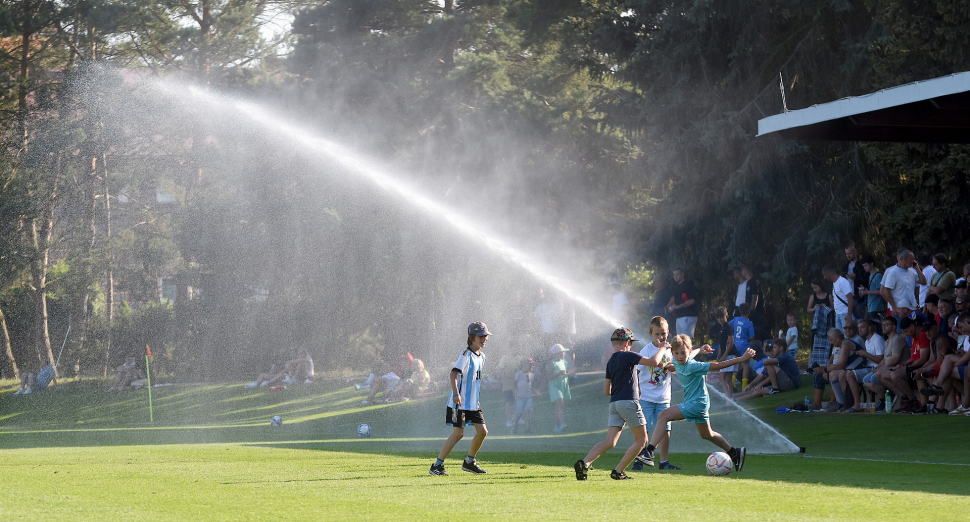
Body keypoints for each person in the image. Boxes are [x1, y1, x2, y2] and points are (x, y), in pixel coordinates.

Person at [641, 334, 752, 473]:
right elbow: (684, 357)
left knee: (663, 415)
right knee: (707, 434)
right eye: (676, 353)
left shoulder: (693, 365)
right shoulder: (676, 361)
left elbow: (718, 365)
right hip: (698, 403)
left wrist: (742, 359)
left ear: (688, 351)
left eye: (683, 353)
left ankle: (649, 451)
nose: (680, 356)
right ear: (672, 353)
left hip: (697, 403)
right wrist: (697, 350)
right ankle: (734, 453)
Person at [573, 327, 673, 481]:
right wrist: (662, 348)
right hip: (628, 402)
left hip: (614, 404)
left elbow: (607, 390)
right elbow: (653, 362)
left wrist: (620, 393)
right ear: (627, 342)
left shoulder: (611, 361)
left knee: (610, 441)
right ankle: (618, 471)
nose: (631, 345)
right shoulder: (628, 355)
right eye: (631, 342)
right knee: (642, 440)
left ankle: (584, 463)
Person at [430, 322, 492, 476]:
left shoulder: (482, 356)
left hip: (473, 404)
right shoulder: (465, 355)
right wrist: (456, 394)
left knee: (482, 431)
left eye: (486, 336)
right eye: (481, 336)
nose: (485, 338)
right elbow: (453, 374)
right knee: (458, 434)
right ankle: (437, 465)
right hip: (458, 403)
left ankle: (469, 462)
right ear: (472, 337)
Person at [632, 316, 679, 471]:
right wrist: (636, 388)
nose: (661, 337)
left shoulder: (671, 350)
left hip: (663, 398)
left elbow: (675, 366)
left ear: (668, 333)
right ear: (651, 334)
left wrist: (673, 367)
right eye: (657, 334)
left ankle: (663, 462)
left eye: (663, 334)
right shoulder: (646, 350)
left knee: (666, 431)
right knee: (644, 430)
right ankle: (639, 459)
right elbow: (636, 372)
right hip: (646, 397)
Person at [734, 338, 801, 399]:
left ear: (781, 348)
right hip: (783, 382)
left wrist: (760, 384)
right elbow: (762, 375)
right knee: (757, 391)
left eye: (774, 347)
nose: (773, 350)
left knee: (769, 364)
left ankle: (775, 388)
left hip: (789, 383)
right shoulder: (777, 358)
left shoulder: (783, 356)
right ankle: (734, 399)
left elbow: (766, 363)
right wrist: (751, 385)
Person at [865, 315, 907, 412]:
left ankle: (885, 398)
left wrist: (881, 368)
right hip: (887, 367)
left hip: (896, 368)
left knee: (874, 378)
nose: (884, 327)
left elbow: (895, 359)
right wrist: (878, 367)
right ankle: (888, 392)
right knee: (866, 379)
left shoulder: (897, 339)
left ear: (894, 326)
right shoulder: (887, 341)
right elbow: (885, 358)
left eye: (887, 325)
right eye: (883, 325)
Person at [842, 318, 885, 412]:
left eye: (862, 327)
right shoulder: (866, 341)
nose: (860, 330)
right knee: (846, 372)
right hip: (867, 367)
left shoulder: (877, 340)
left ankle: (857, 404)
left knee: (850, 374)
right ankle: (845, 403)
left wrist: (865, 354)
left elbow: (881, 360)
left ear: (869, 328)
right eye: (859, 327)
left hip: (875, 368)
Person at [719, 302, 755, 396]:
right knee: (745, 365)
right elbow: (752, 336)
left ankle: (733, 382)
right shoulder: (749, 323)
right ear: (749, 311)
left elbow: (728, 325)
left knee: (736, 364)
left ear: (739, 311)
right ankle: (744, 386)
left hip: (735, 345)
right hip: (744, 345)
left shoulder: (735, 320)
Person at [880, 249, 926, 320]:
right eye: (912, 259)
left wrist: (917, 268)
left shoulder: (912, 271)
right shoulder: (892, 272)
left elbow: (923, 282)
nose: (913, 261)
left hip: (911, 309)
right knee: (900, 329)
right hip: (899, 310)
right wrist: (893, 306)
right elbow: (885, 291)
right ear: (905, 259)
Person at [858, 255, 887, 334]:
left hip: (877, 308)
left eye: (866, 265)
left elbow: (881, 291)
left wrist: (867, 292)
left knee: (877, 330)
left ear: (872, 264)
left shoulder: (878, 276)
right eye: (863, 266)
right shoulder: (869, 276)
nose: (865, 268)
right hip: (871, 308)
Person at [667, 267, 698, 339]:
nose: (675, 276)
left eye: (677, 274)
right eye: (674, 275)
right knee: (680, 340)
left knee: (686, 339)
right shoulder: (677, 287)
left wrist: (677, 307)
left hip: (688, 316)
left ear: (682, 274)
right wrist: (671, 307)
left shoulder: (688, 285)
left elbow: (691, 301)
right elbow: (675, 300)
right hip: (679, 317)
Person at [547, 344, 571, 432]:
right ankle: (562, 424)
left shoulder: (563, 362)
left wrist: (569, 373)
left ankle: (556, 426)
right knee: (561, 404)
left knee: (558, 406)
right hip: (555, 386)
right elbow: (548, 377)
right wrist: (558, 374)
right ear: (557, 353)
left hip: (562, 385)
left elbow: (563, 373)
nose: (564, 353)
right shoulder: (551, 364)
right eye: (562, 352)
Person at [823, 265, 853, 333]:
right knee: (840, 336)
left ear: (828, 273)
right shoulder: (834, 283)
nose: (824, 277)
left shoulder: (842, 282)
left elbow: (850, 298)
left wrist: (849, 314)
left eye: (824, 274)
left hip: (845, 313)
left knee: (847, 335)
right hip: (838, 313)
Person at [843, 243, 868, 320]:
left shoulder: (862, 265)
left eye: (850, 253)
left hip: (859, 298)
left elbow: (866, 280)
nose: (848, 256)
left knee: (861, 320)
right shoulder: (845, 267)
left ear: (855, 252)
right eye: (846, 254)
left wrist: (856, 277)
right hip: (848, 297)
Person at [512, 359, 536, 434]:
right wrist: (515, 391)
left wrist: (535, 391)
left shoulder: (531, 375)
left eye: (532, 365)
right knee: (519, 413)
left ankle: (528, 429)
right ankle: (515, 425)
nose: (531, 366)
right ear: (525, 365)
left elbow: (531, 385)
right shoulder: (519, 374)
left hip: (528, 396)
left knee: (528, 413)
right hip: (520, 397)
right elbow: (514, 383)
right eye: (530, 365)